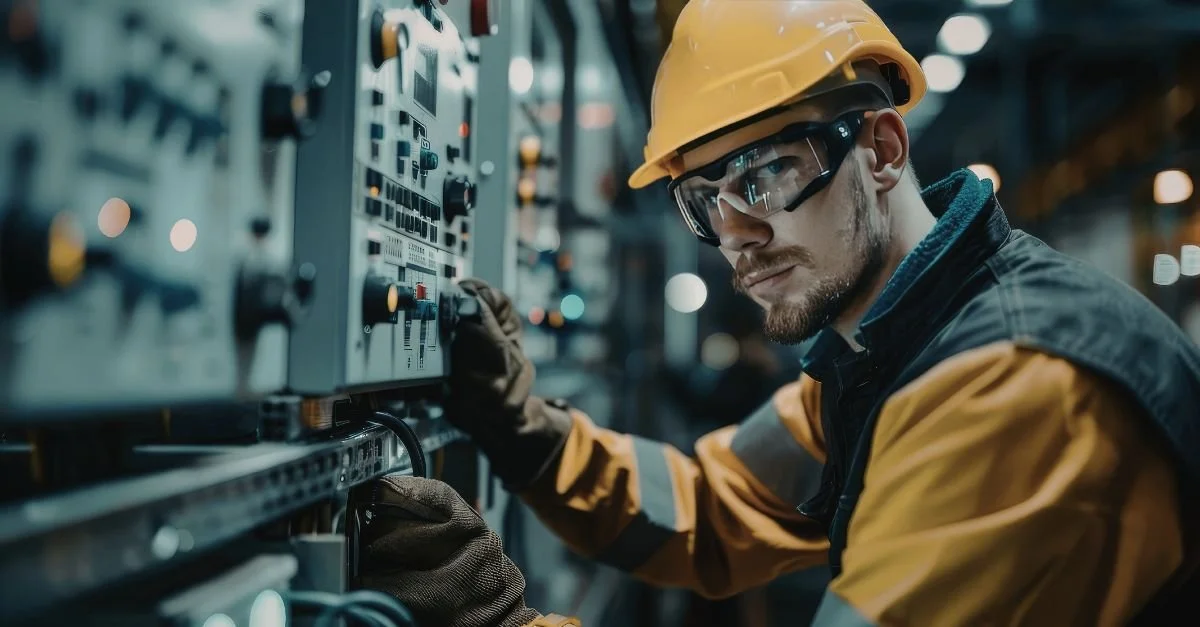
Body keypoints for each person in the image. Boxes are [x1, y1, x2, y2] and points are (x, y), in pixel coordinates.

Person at [361, 1, 1200, 625]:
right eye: (707, 200)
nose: (736, 239)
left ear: (879, 149)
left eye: (764, 177)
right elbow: (707, 505)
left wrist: (498, 622)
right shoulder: (888, 350)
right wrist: (523, 431)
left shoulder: (1014, 385)